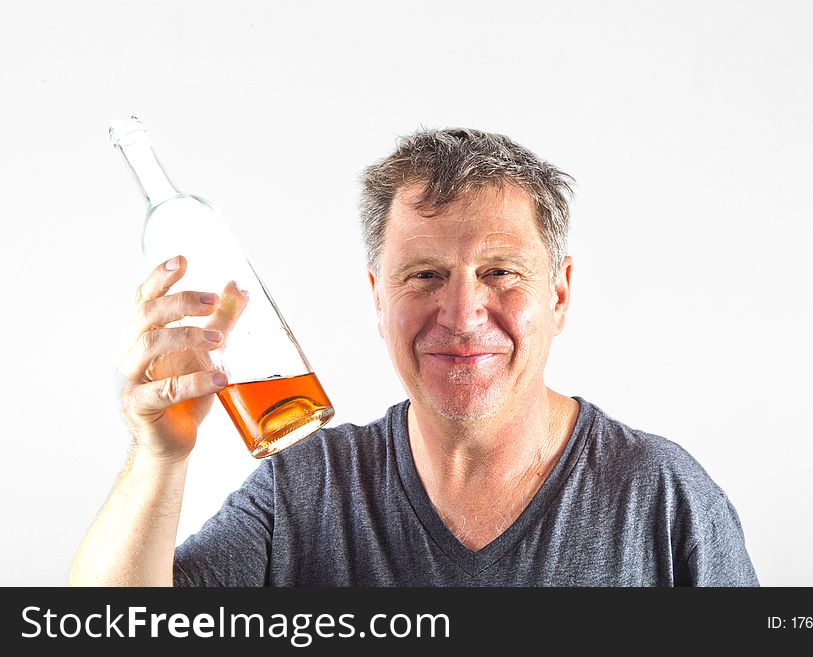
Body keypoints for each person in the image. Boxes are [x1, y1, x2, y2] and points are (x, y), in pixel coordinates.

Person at [68, 128, 759, 586]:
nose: (462, 316)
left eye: (501, 273)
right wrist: (158, 457)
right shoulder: (305, 492)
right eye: (424, 275)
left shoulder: (663, 498)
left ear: (561, 293)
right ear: (377, 298)